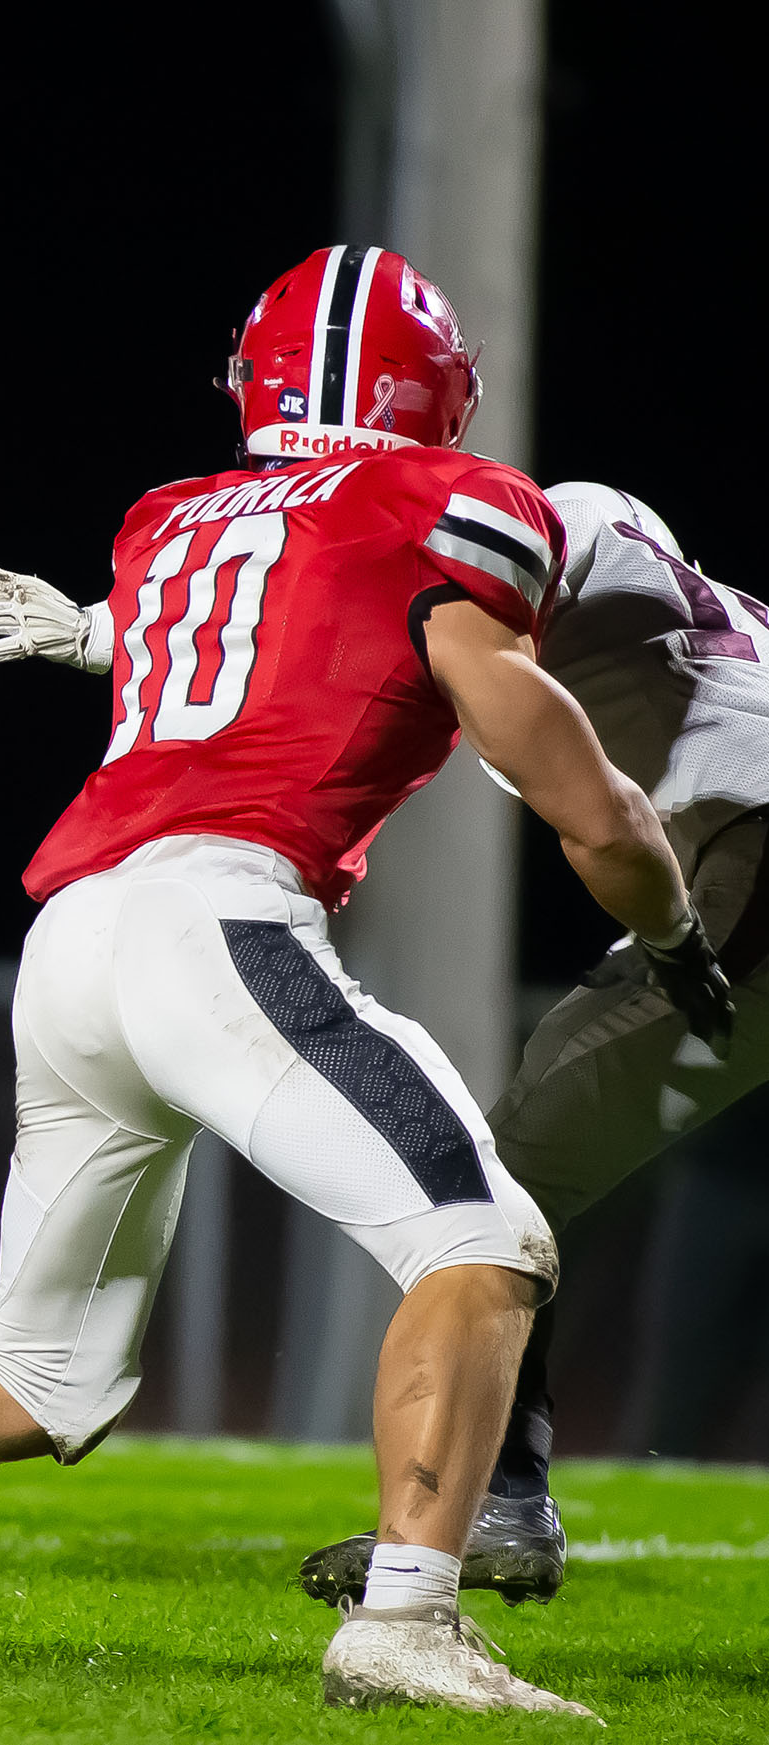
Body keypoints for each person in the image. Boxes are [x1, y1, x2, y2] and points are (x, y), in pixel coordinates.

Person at [0, 245, 728, 1719]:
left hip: (79, 938)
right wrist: (675, 931)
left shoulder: (170, 517)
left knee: (42, 1382)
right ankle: (407, 1623)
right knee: (487, 1244)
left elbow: (282, 623)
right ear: (437, 391)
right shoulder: (458, 503)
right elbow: (577, 790)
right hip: (216, 920)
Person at [294, 483, 769, 1605]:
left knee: (494, 1194)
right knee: (509, 1176)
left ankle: (497, 1494)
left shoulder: (530, 526)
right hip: (727, 856)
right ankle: (504, 1485)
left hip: (746, 862)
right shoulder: (639, 574)